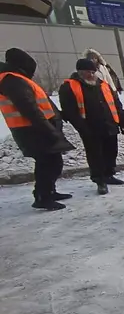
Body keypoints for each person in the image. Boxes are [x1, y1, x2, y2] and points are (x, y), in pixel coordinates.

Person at [0, 48, 75, 210]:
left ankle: (48, 191)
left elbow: (41, 103)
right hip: (32, 130)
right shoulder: (12, 80)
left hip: (37, 128)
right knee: (49, 163)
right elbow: (29, 109)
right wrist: (48, 128)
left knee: (50, 162)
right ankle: (42, 197)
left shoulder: (19, 79)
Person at [59, 58, 124, 195]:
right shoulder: (69, 87)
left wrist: (122, 119)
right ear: (79, 72)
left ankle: (109, 174)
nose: (91, 75)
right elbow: (69, 111)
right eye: (87, 72)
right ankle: (100, 180)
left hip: (109, 124)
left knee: (111, 151)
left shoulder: (103, 85)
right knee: (95, 155)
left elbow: (116, 103)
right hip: (90, 128)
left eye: (93, 71)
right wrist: (82, 128)